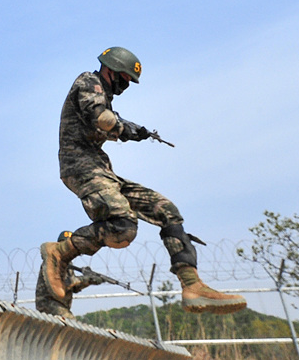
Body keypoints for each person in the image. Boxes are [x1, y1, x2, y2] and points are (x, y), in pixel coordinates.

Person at [37, 47, 246, 315]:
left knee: (166, 210)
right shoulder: (88, 82)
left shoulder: (105, 95)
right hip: (80, 167)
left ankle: (192, 285)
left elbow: (108, 122)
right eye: (124, 79)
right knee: (123, 227)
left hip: (101, 169)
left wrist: (132, 131)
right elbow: (101, 118)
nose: (126, 86)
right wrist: (126, 128)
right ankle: (60, 252)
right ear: (110, 70)